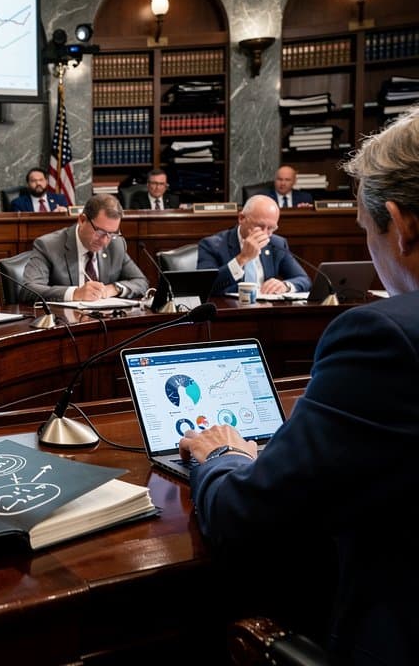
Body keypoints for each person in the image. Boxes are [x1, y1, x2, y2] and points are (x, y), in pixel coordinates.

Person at [178, 106, 419, 665]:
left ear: (399, 223)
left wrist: (223, 456)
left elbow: (246, 519)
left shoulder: (384, 339)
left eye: (366, 231)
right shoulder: (220, 244)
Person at [20, 193, 149, 303]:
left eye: (112, 234)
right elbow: (28, 290)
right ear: (82, 220)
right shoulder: (48, 246)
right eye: (100, 232)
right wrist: (75, 293)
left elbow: (141, 282)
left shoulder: (115, 244)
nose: (105, 241)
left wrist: (114, 288)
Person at [197, 194, 311, 295]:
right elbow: (204, 286)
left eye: (271, 228)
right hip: (230, 312)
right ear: (241, 218)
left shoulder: (277, 243)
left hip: (266, 311)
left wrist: (285, 286)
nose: (265, 234)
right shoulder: (212, 245)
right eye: (260, 226)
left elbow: (304, 280)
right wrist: (242, 259)